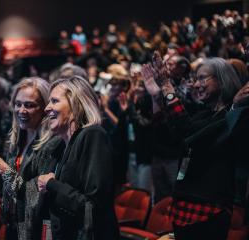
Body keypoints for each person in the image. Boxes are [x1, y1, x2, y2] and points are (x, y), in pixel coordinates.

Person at [142, 57, 244, 239]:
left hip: (209, 205)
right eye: (195, 79)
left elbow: (188, 133)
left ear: (222, 80)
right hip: (185, 199)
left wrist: (167, 87)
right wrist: (157, 98)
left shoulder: (231, 117)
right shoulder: (204, 113)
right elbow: (171, 137)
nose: (196, 85)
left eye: (202, 78)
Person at [0, 77, 57, 240]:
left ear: (45, 108)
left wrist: (2, 168)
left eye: (30, 105)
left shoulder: (51, 145)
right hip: (13, 223)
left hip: (34, 228)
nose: (21, 110)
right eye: (18, 104)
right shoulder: (16, 140)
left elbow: (33, 195)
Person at [37, 76, 119, 239]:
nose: (46, 108)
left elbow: (93, 206)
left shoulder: (93, 135)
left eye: (54, 101)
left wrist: (52, 185)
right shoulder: (60, 145)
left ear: (76, 104)